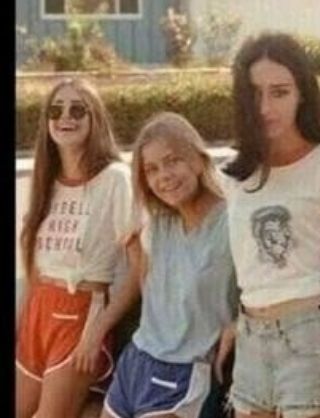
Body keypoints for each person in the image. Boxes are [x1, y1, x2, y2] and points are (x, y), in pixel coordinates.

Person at [218, 32, 320, 418]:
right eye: (255, 94)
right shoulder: (234, 175)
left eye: (280, 92)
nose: (266, 107)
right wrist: (234, 322)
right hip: (250, 343)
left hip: (307, 340)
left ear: (302, 94)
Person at [68, 112, 238, 417]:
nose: (164, 176)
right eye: (152, 169)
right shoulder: (159, 224)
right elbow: (154, 290)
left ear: (198, 160)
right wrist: (134, 248)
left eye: (173, 161)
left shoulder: (232, 220)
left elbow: (265, 285)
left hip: (185, 371)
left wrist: (241, 324)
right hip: (136, 361)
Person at [16, 78, 135, 418]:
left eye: (77, 109)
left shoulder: (115, 179)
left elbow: (139, 270)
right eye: (56, 110)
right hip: (38, 312)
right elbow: (34, 267)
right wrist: (22, 321)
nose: (65, 117)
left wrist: (96, 332)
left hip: (80, 312)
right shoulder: (45, 181)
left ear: (94, 117)